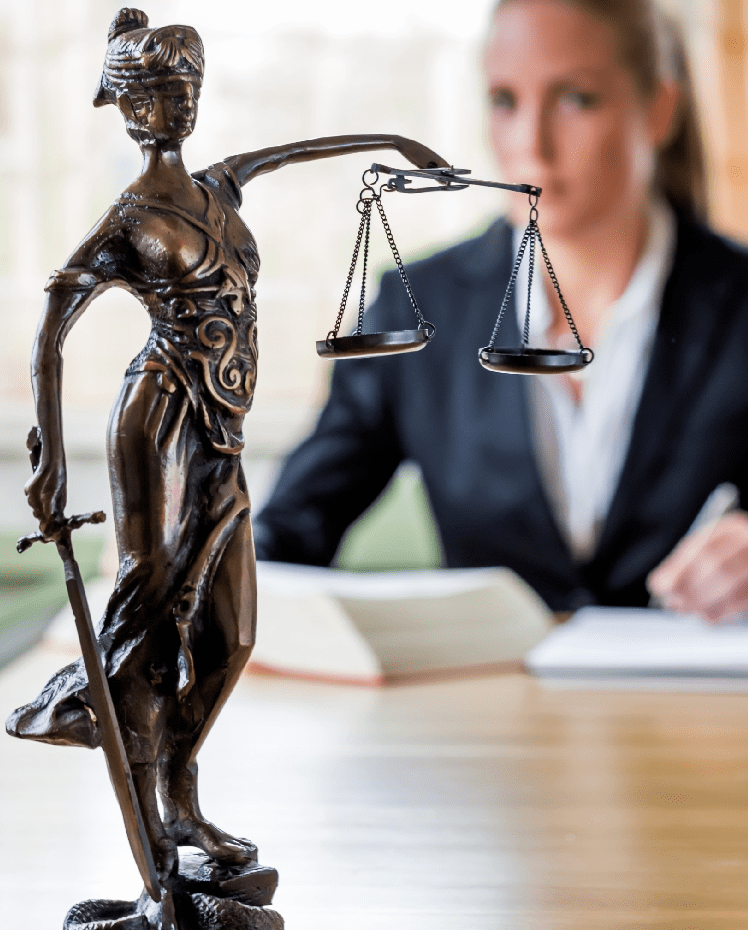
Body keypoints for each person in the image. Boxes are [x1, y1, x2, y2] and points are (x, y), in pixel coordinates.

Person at [5, 7, 446, 882]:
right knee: (154, 597)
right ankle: (147, 782)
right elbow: (54, 322)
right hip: (155, 415)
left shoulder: (219, 186)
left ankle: (174, 781)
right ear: (129, 109)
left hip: (221, 422)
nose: (179, 105)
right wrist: (48, 458)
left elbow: (297, 149)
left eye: (189, 90)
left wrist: (395, 139)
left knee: (233, 629)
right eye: (161, 92)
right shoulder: (129, 215)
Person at [254, 0, 748, 622]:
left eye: (575, 98)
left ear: (658, 110)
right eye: (504, 100)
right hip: (485, 710)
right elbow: (288, 532)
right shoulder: (418, 305)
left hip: (690, 714)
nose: (530, 143)